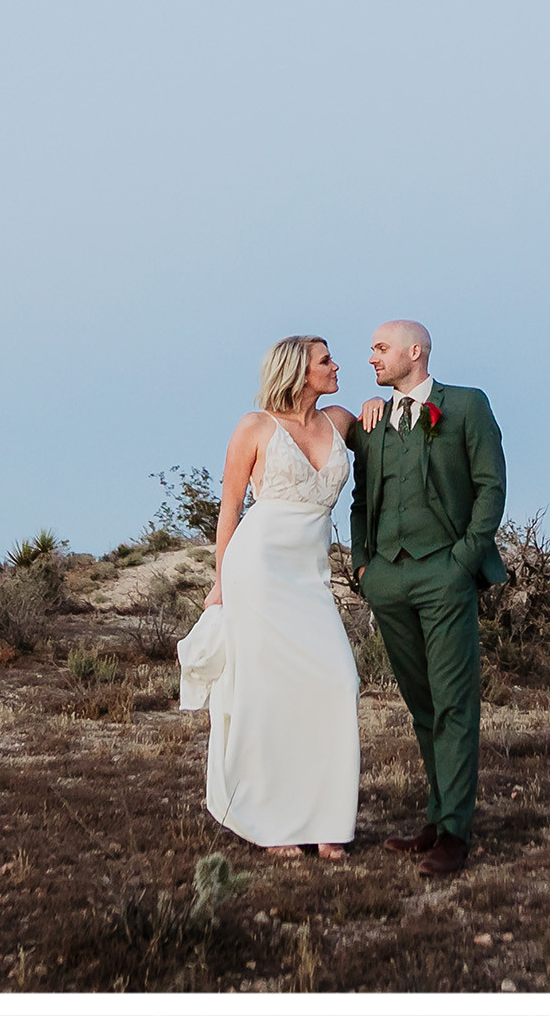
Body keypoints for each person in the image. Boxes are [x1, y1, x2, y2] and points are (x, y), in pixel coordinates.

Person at [177, 335, 362, 861]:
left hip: (310, 578)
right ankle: (274, 823)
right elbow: (229, 509)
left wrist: (376, 407)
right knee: (266, 697)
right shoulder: (254, 427)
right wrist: (218, 583)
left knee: (337, 682)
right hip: (256, 571)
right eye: (326, 360)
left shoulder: (341, 421)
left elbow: (382, 438)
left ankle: (328, 820)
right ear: (300, 371)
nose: (336, 366)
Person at [347, 320, 506, 876]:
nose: (371, 358)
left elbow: (491, 485)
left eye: (380, 348)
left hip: (445, 572)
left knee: (455, 702)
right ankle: (436, 819)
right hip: (387, 578)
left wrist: (464, 559)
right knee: (421, 705)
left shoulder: (465, 406)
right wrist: (363, 563)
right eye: (371, 350)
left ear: (414, 352)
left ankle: (456, 834)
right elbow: (363, 497)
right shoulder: (372, 421)